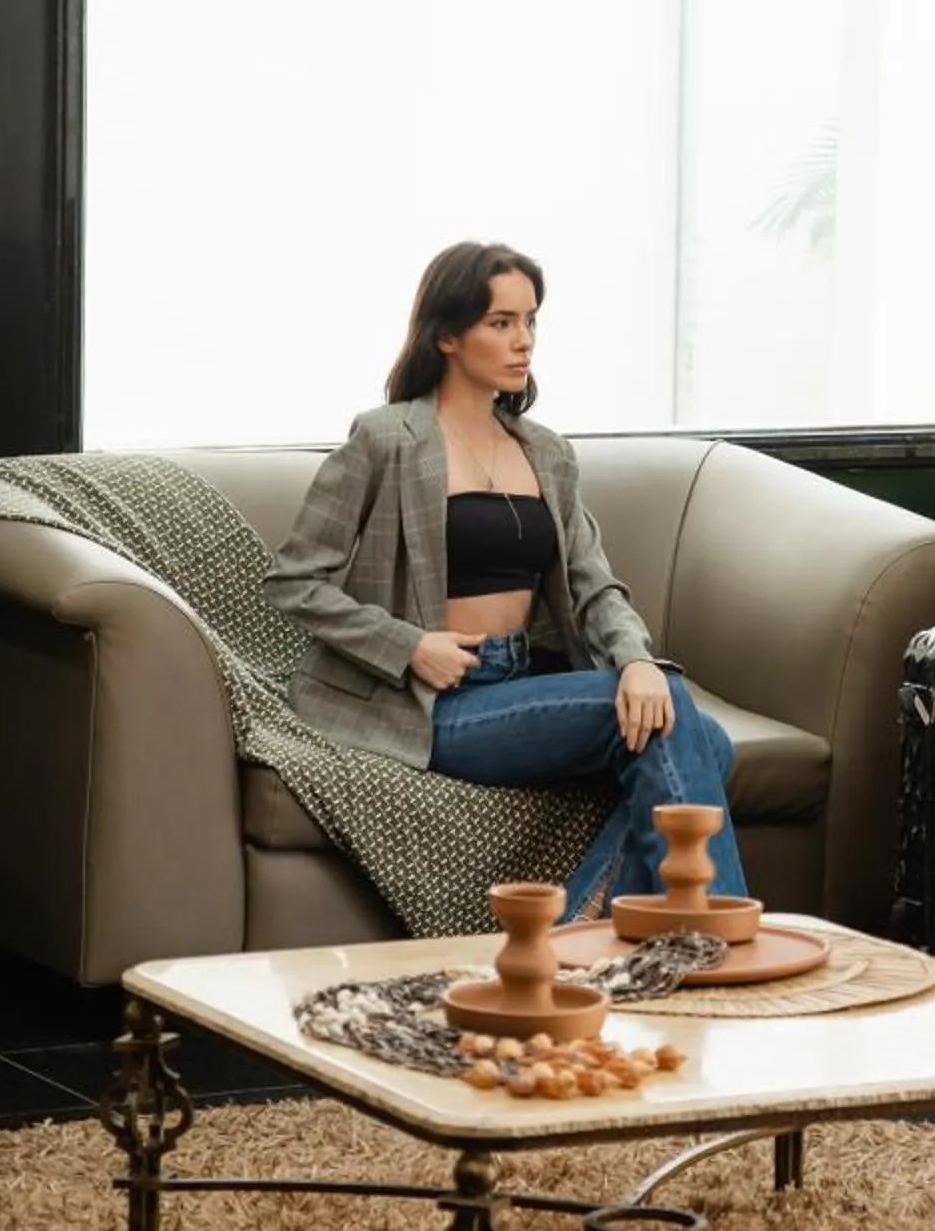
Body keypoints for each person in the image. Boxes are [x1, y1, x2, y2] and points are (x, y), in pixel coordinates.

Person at [263, 240, 747, 921]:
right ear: (448, 335)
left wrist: (637, 660)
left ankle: (579, 927)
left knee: (699, 735)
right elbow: (294, 581)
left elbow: (594, 585)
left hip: (520, 680)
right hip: (437, 701)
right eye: (501, 323)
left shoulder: (544, 452)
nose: (523, 342)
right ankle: (713, 936)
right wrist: (408, 645)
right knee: (681, 727)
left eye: (531, 322)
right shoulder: (386, 439)